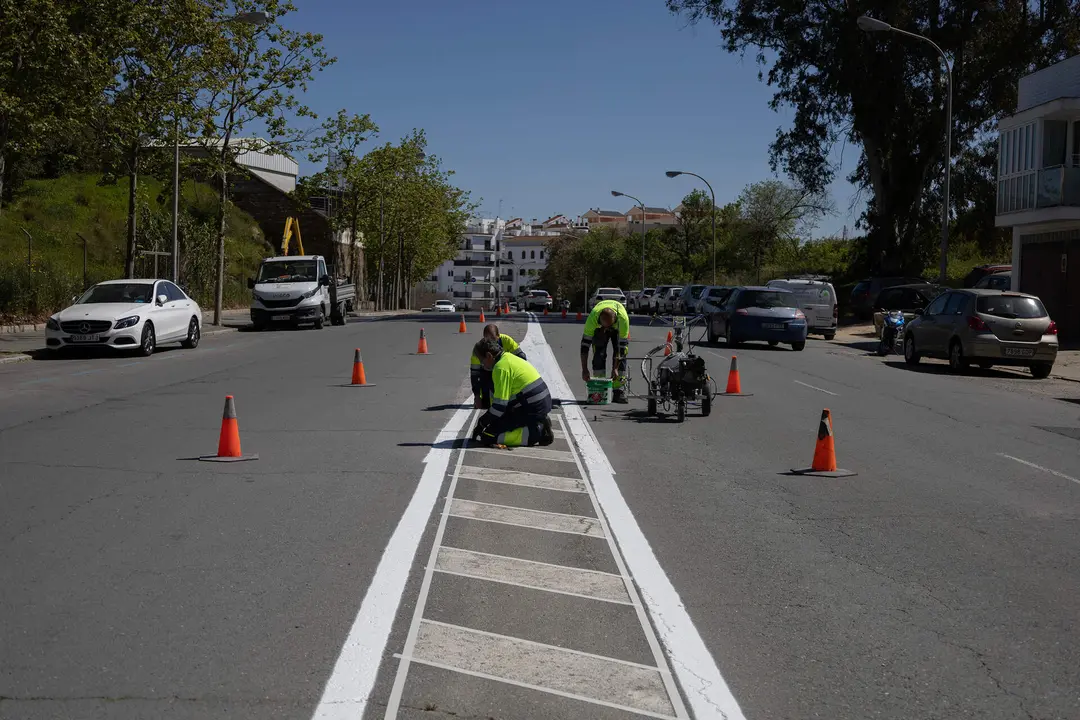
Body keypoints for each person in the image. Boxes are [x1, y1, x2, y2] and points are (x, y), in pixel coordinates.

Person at [471, 337, 554, 447]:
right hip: (540, 402)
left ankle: (538, 432)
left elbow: (499, 407)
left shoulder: (500, 368)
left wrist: (482, 423)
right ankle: (538, 421)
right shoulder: (508, 357)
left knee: (488, 436)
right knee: (497, 423)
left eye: (482, 361)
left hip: (533, 407)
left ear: (489, 356)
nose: (482, 365)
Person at [581, 299, 631, 403]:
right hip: (599, 326)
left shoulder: (623, 320)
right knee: (599, 353)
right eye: (604, 326)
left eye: (608, 327)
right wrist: (584, 369)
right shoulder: (592, 319)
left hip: (617, 328)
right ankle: (599, 389)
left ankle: (618, 391)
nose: (606, 329)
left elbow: (622, 348)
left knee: (621, 354)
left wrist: (615, 368)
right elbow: (585, 346)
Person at [469, 323, 525, 409]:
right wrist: (477, 396)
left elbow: (522, 357)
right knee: (486, 404)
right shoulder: (478, 349)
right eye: (487, 339)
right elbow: (475, 375)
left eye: (493, 338)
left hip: (506, 370)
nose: (491, 341)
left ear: (498, 335)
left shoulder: (506, 340)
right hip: (487, 373)